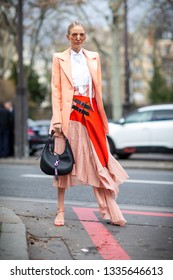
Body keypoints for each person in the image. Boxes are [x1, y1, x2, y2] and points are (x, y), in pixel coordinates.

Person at [49, 21, 129, 227]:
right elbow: (56, 90)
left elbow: (97, 92)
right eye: (74, 34)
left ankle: (109, 210)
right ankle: (60, 212)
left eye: (82, 34)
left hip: (91, 114)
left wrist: (101, 118)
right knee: (62, 165)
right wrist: (57, 120)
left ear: (85, 36)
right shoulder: (59, 59)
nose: (78, 38)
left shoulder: (94, 57)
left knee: (98, 162)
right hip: (68, 116)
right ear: (67, 36)